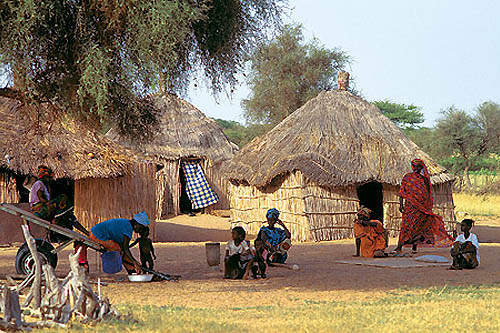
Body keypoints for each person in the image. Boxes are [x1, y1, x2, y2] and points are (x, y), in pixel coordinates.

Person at [393, 159, 453, 253]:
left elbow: (428, 194)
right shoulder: (407, 177)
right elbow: (402, 192)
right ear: (412, 167)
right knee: (405, 226)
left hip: (421, 207)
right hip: (409, 207)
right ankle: (399, 246)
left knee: (418, 226)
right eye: (415, 166)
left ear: (421, 168)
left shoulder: (424, 180)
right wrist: (401, 205)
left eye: (419, 167)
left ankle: (414, 247)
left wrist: (427, 206)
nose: (417, 168)